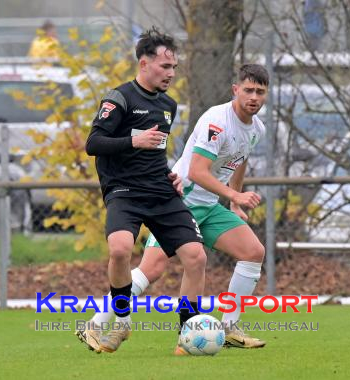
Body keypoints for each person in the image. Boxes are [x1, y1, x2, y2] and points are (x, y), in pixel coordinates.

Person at [80, 64, 270, 354]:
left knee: (253, 252)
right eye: (248, 90)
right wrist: (234, 194)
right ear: (236, 90)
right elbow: (196, 171)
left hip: (210, 205)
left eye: (260, 91)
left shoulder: (257, 129)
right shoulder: (217, 120)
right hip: (182, 201)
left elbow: (239, 158)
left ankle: (229, 327)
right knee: (152, 268)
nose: (254, 97)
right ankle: (96, 323)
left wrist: (234, 199)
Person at [76, 27, 206, 354]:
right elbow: (93, 144)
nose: (171, 73)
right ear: (144, 64)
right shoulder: (118, 98)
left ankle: (188, 336)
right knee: (120, 250)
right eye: (165, 67)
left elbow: (156, 151)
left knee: (196, 257)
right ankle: (121, 318)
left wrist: (170, 175)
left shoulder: (168, 105)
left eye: (174, 67)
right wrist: (133, 140)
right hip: (124, 191)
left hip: (161, 192)